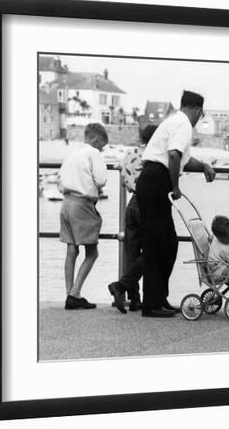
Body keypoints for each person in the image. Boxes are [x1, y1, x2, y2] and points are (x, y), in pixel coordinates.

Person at [135, 90, 216, 318]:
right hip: (156, 181)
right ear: (198, 110)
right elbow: (173, 156)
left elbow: (184, 160)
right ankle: (151, 304)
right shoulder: (183, 125)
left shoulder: (174, 122)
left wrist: (205, 167)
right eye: (201, 114)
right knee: (157, 244)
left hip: (152, 180)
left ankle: (159, 298)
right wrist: (175, 186)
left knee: (167, 243)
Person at [108, 124, 158, 314]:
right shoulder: (156, 156)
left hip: (131, 204)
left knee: (132, 253)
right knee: (152, 251)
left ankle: (134, 299)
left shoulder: (131, 153)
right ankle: (122, 286)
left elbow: (125, 179)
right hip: (146, 204)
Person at [58, 123, 108, 310]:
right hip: (82, 205)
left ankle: (69, 294)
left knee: (72, 250)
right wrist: (96, 186)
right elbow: (102, 179)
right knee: (92, 252)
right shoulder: (93, 153)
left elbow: (60, 179)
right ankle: (75, 293)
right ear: (98, 139)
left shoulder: (72, 153)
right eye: (103, 145)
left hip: (66, 203)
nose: (102, 149)